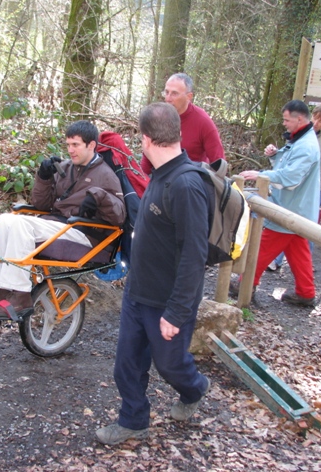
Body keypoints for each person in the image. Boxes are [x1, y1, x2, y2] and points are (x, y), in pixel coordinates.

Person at [96, 103, 211, 446]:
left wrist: (176, 312)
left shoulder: (187, 185)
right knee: (126, 365)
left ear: (145, 139)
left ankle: (195, 388)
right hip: (138, 292)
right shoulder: (158, 173)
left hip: (168, 300)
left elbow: (195, 256)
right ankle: (133, 420)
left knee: (170, 365)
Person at [0, 121, 126, 319]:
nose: (70, 150)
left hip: (84, 233)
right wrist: (43, 177)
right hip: (58, 225)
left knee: (20, 224)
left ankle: (21, 296)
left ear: (91, 145)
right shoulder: (65, 168)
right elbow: (41, 204)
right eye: (68, 145)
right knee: (5, 219)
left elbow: (120, 215)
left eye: (76, 145)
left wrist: (100, 197)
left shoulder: (106, 175)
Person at [239, 100, 320, 306]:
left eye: (286, 120)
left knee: (263, 245)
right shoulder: (301, 140)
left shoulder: (306, 145)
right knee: (298, 250)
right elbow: (288, 168)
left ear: (299, 119)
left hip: (290, 209)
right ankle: (306, 292)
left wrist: (261, 175)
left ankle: (244, 284)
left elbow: (291, 179)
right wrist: (275, 157)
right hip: (297, 209)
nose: (284, 124)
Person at [268, 103, 321, 271]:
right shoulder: (301, 135)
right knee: (295, 239)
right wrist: (274, 156)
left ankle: (248, 279)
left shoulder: (320, 142)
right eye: (316, 117)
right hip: (297, 193)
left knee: (296, 234)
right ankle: (303, 289)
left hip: (308, 193)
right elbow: (288, 163)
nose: (318, 122)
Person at [140, 73, 225, 174]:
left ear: (189, 96)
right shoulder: (159, 116)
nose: (168, 98)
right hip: (161, 178)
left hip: (192, 181)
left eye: (174, 93)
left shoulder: (203, 121)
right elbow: (147, 160)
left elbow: (219, 163)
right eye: (166, 92)